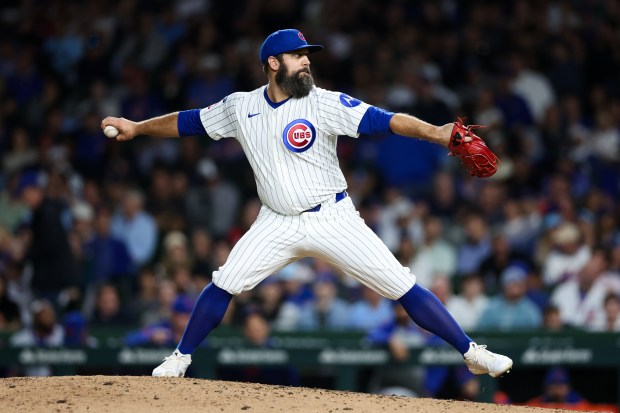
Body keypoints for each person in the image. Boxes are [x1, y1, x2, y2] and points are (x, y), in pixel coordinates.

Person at [101, 29, 512, 379]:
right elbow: (187, 121)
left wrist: (436, 133)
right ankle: (181, 357)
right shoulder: (240, 107)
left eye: (307, 56)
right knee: (224, 281)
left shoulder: (324, 103)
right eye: (298, 56)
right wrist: (137, 127)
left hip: (332, 217)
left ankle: (471, 353)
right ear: (273, 63)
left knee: (402, 284)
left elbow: (386, 120)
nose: (306, 63)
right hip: (275, 222)